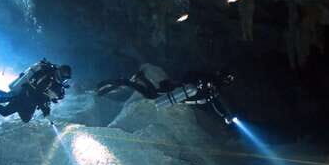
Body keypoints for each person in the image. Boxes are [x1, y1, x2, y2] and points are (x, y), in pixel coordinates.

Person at [96, 69, 236, 123]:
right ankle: (127, 81)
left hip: (176, 93)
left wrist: (225, 115)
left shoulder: (212, 87)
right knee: (151, 95)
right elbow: (190, 75)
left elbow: (216, 103)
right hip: (175, 91)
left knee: (152, 94)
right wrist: (224, 116)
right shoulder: (207, 79)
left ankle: (140, 79)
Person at [0, 59, 71, 123]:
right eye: (62, 76)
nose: (63, 80)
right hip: (24, 95)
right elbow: (38, 94)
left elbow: (46, 98)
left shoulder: (57, 86)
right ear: (58, 72)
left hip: (31, 101)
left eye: (65, 78)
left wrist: (47, 108)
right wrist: (46, 111)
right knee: (5, 104)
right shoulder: (45, 77)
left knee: (25, 119)